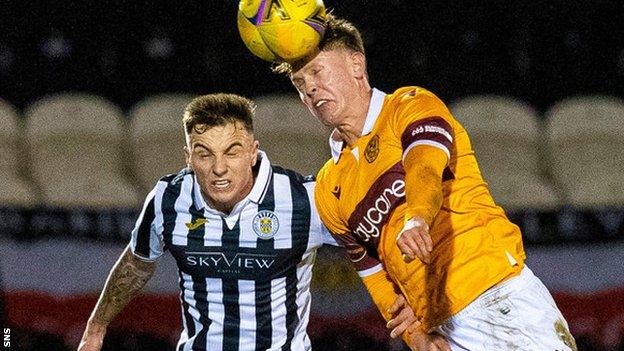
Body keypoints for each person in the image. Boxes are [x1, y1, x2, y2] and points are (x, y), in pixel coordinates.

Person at [274, 15, 578, 351]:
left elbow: (424, 166)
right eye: (300, 84)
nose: (310, 89)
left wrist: (417, 216)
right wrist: (416, 337)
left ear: (356, 64)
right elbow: (373, 273)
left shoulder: (410, 105)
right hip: (440, 328)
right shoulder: (329, 186)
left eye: (317, 72)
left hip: (495, 295)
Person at [78, 93, 417, 351]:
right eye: (204, 153)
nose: (219, 168)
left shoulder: (305, 199)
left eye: (232, 151)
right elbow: (137, 264)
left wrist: (417, 304)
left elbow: (382, 242)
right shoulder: (169, 198)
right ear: (188, 157)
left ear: (253, 151)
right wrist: (96, 325)